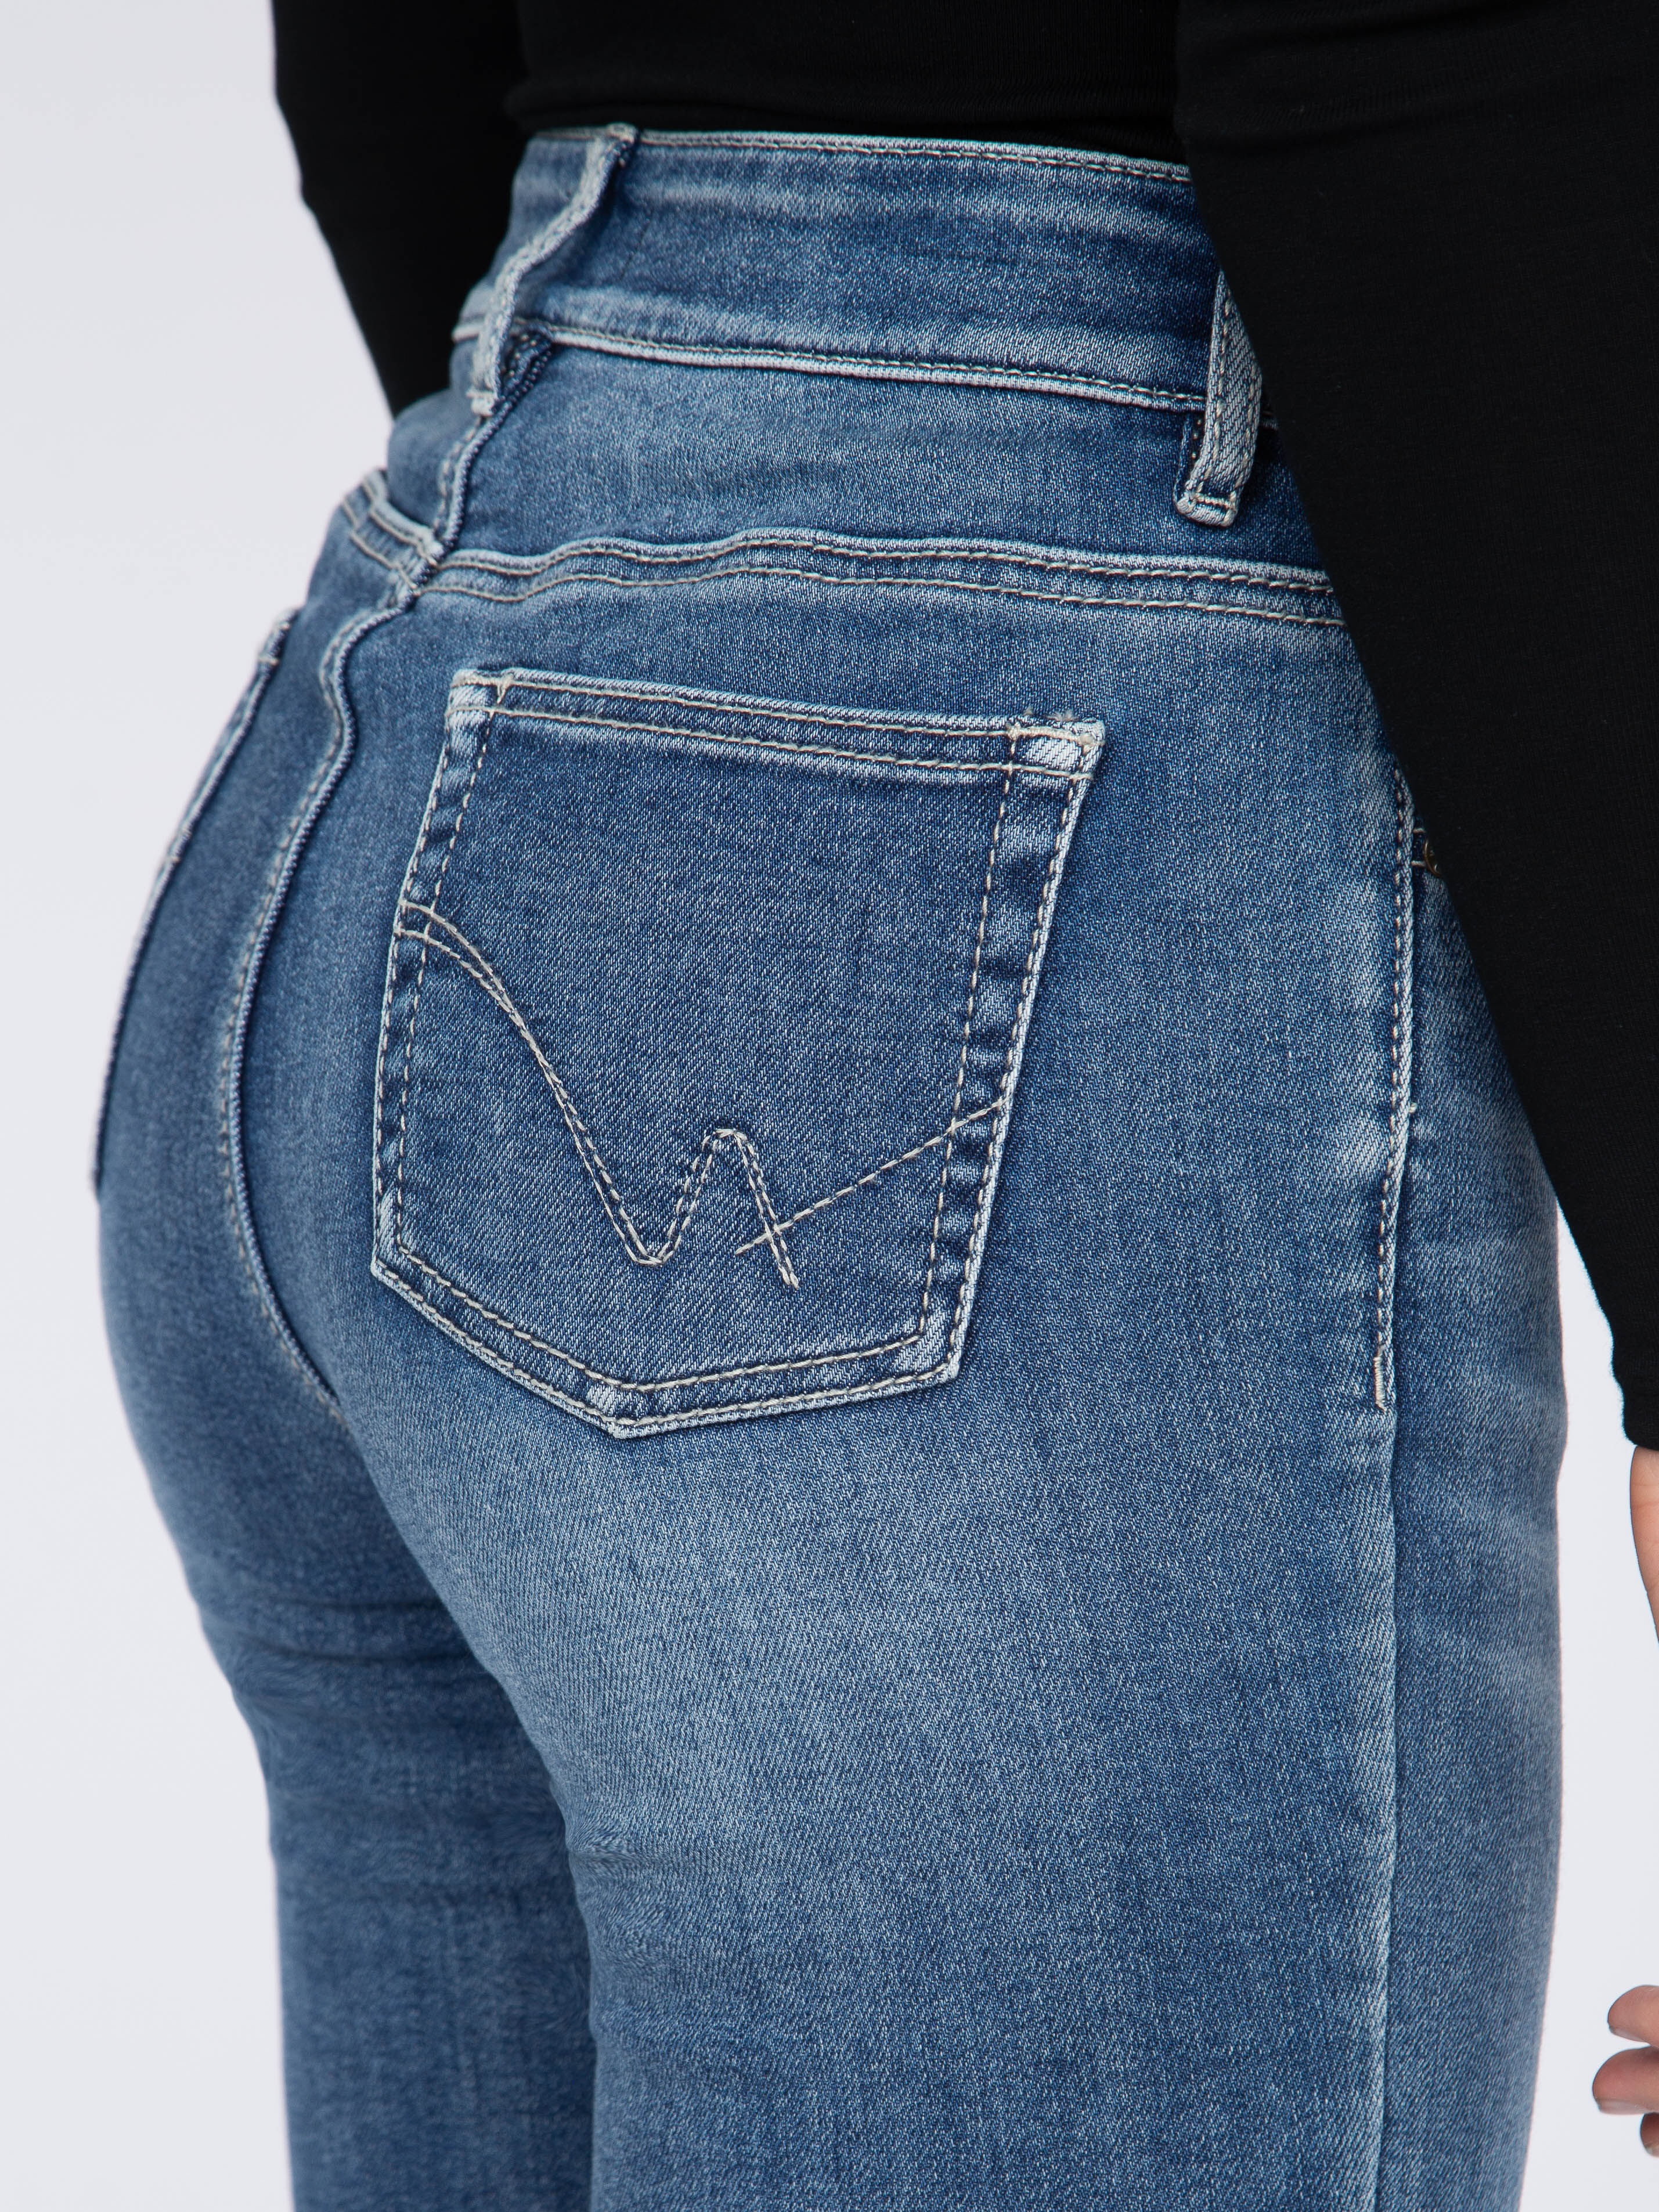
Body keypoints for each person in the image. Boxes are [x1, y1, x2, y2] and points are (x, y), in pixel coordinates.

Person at [97, 2, 1659, 2204]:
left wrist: (619, 689)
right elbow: (1418, 62)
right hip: (1023, 713)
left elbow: (382, 48)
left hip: (392, 700)